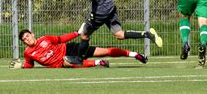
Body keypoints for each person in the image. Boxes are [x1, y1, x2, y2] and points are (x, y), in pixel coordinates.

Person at [9, 29, 148, 69]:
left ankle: (135, 54)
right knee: (69, 62)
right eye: (25, 40)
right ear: (24, 43)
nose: (27, 39)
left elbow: (61, 39)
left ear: (33, 34)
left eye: (28, 36)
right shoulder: (28, 53)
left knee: (104, 51)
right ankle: (100, 63)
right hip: (62, 62)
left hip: (70, 49)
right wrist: (21, 66)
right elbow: (29, 65)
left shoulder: (45, 38)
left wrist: (77, 33)